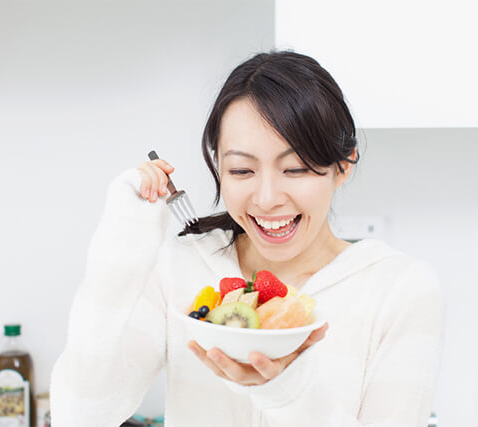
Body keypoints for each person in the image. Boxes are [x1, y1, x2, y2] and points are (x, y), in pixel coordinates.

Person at [50, 50, 446, 426]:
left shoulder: (400, 289)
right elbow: (82, 416)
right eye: (241, 171)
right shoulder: (180, 266)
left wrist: (287, 390)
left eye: (295, 169)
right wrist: (119, 254)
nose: (268, 198)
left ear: (342, 166)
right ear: (217, 165)